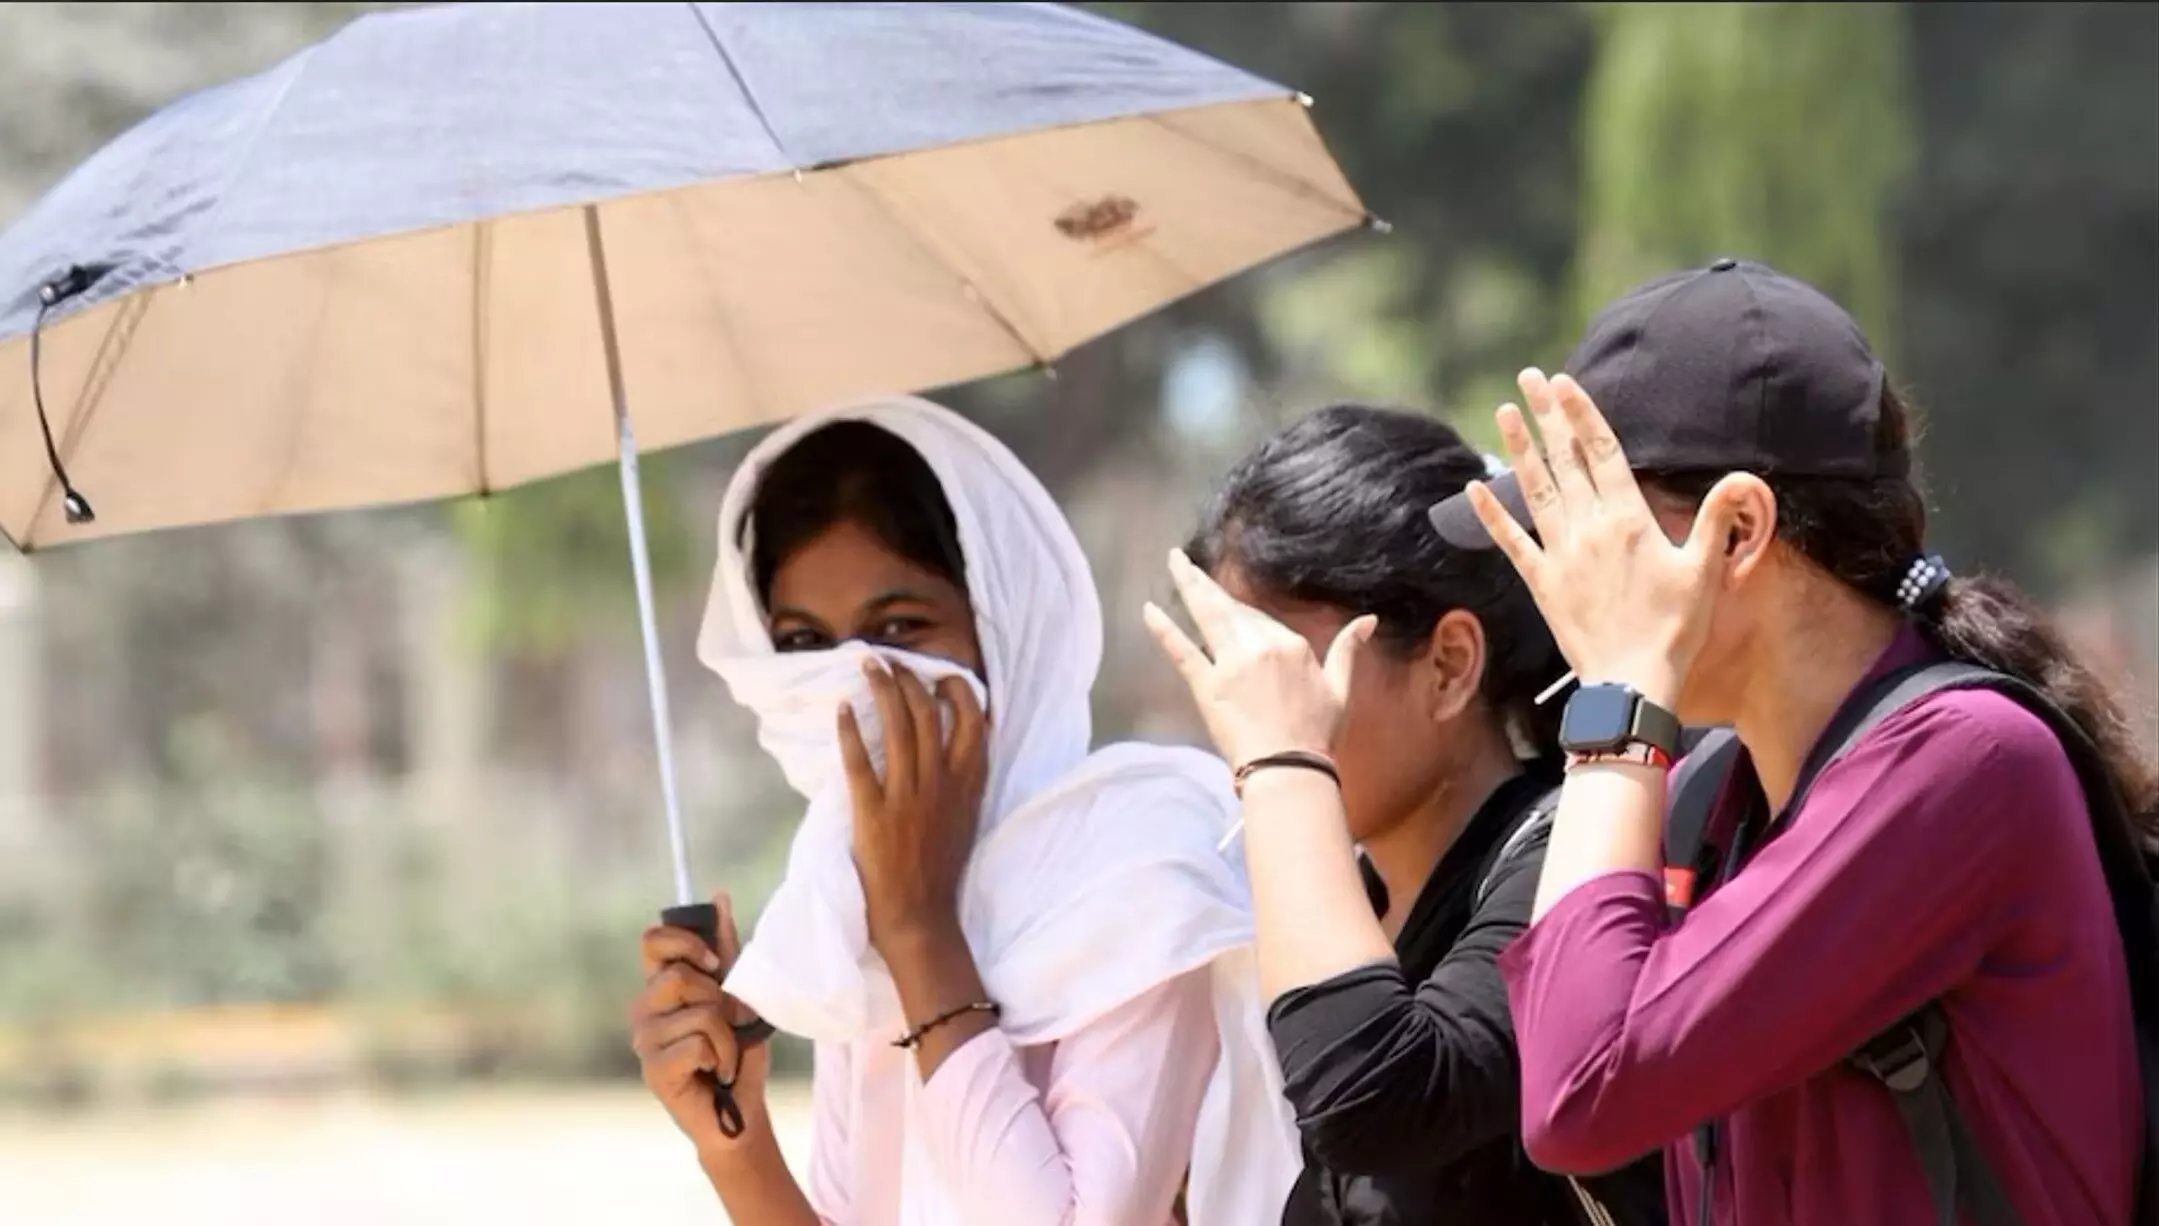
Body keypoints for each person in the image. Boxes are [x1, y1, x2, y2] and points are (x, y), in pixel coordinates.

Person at [1428, 259, 2154, 1225]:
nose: (1557, 579)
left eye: (1599, 532)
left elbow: (1577, 1095)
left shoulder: (1962, 762)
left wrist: (1616, 694)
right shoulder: (1702, 798)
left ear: (1738, 532)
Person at [627, 395, 1300, 1226]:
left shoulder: (1135, 863)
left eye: (900, 628)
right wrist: (734, 1142)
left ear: (1003, 630)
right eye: (804, 645)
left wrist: (919, 929)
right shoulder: (844, 889)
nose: (855, 682)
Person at [1145, 404, 1667, 1224]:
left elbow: (1377, 1098)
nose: (1250, 708)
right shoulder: (1331, 899)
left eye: (1283, 666)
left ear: (1449, 665)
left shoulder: (1573, 854)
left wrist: (1286, 765)